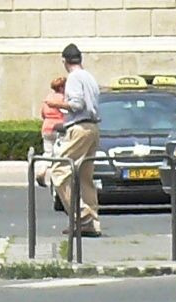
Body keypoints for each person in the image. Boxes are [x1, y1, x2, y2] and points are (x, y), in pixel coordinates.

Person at [50, 43, 102, 237]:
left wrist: (58, 103)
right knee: (85, 176)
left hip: (79, 127)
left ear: (64, 61)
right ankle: (92, 223)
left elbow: (77, 104)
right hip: (93, 127)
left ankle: (82, 215)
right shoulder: (90, 77)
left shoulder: (73, 77)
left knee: (59, 170)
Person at [37, 75, 68, 185]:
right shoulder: (63, 99)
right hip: (59, 128)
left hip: (46, 127)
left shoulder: (47, 98)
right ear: (61, 88)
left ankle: (41, 170)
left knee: (48, 152)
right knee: (60, 154)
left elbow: (43, 114)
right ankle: (58, 178)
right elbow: (67, 113)